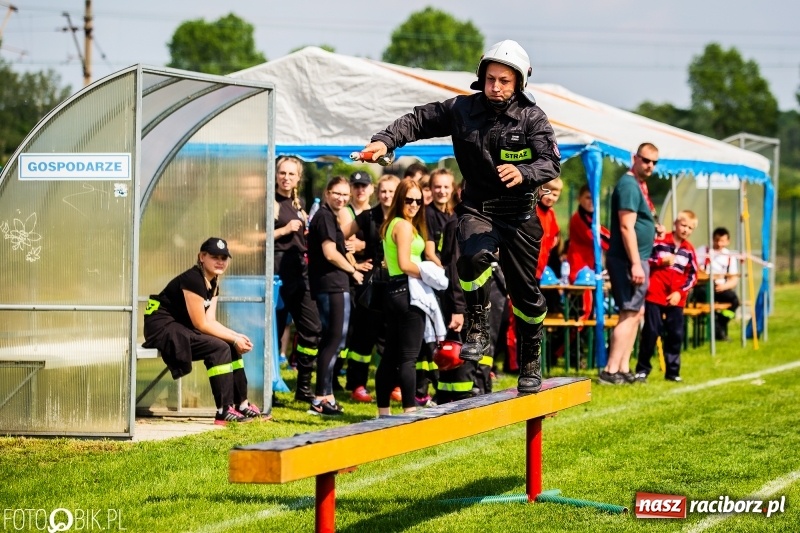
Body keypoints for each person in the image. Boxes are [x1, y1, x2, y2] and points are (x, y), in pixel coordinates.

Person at [361, 40, 561, 394]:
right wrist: (386, 141)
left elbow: (551, 162)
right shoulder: (461, 109)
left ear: (519, 82)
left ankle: (531, 359)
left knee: (525, 295)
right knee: (470, 258)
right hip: (477, 209)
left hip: (519, 216)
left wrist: (525, 172)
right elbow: (418, 120)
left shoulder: (533, 117)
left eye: (504, 81)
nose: (495, 87)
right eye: (490, 79)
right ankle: (477, 325)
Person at [142, 238, 262, 425]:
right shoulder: (193, 279)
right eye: (214, 257)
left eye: (224, 258)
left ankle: (241, 404)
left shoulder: (214, 282)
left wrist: (236, 337)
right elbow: (201, 324)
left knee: (230, 346)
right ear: (202, 257)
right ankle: (223, 410)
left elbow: (210, 320)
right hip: (161, 328)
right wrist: (233, 339)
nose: (220, 261)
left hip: (180, 327)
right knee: (219, 347)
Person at [306, 176, 372, 415]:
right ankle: (320, 399)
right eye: (337, 193)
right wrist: (353, 270)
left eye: (345, 195)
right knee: (333, 341)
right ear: (327, 193)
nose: (341, 198)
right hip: (331, 285)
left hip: (334, 284)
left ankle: (327, 396)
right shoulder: (324, 217)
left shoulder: (330, 217)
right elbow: (330, 253)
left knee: (334, 341)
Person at [601, 143, 662, 385]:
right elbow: (626, 227)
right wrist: (636, 263)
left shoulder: (637, 185)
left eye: (654, 162)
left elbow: (637, 223)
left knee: (637, 313)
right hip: (627, 260)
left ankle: (624, 368)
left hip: (637, 259)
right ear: (635, 158)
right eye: (646, 160)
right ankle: (610, 370)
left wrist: (654, 228)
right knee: (628, 312)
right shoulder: (628, 185)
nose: (650, 166)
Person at [376, 179, 429, 416]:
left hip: (394, 290)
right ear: (400, 200)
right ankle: (409, 411)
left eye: (419, 201)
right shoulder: (404, 226)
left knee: (390, 355)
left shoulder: (392, 224)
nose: (414, 205)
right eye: (409, 200)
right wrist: (431, 274)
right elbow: (405, 264)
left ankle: (383, 413)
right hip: (407, 290)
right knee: (408, 358)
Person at [272, 156, 322, 404]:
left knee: (312, 328)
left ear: (298, 178)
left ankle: (303, 387)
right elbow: (254, 237)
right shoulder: (270, 202)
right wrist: (284, 230)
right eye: (282, 173)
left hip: (300, 272)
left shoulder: (298, 203)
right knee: (274, 331)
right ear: (275, 174)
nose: (286, 178)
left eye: (291, 174)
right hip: (277, 272)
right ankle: (268, 389)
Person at [634, 210, 699, 383]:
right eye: (683, 225)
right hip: (655, 295)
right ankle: (642, 370)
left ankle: (673, 372)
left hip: (676, 299)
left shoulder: (689, 250)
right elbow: (645, 261)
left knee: (675, 334)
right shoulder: (660, 242)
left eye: (690, 228)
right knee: (651, 332)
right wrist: (660, 262)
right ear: (676, 224)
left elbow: (693, 275)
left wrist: (680, 292)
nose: (685, 230)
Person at [695, 227, 740, 341]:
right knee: (701, 294)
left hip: (721, 288)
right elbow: (694, 269)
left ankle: (720, 322)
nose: (719, 244)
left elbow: (734, 279)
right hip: (704, 287)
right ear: (712, 239)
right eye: (717, 240)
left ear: (728, 241)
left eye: (722, 241)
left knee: (734, 301)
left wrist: (724, 286)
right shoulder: (703, 251)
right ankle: (717, 328)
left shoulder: (729, 256)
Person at [567, 184, 610, 283]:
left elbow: (604, 233)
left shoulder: (591, 218)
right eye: (588, 198)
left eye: (594, 198)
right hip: (580, 269)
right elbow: (597, 237)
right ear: (579, 198)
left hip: (591, 267)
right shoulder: (579, 218)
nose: (592, 201)